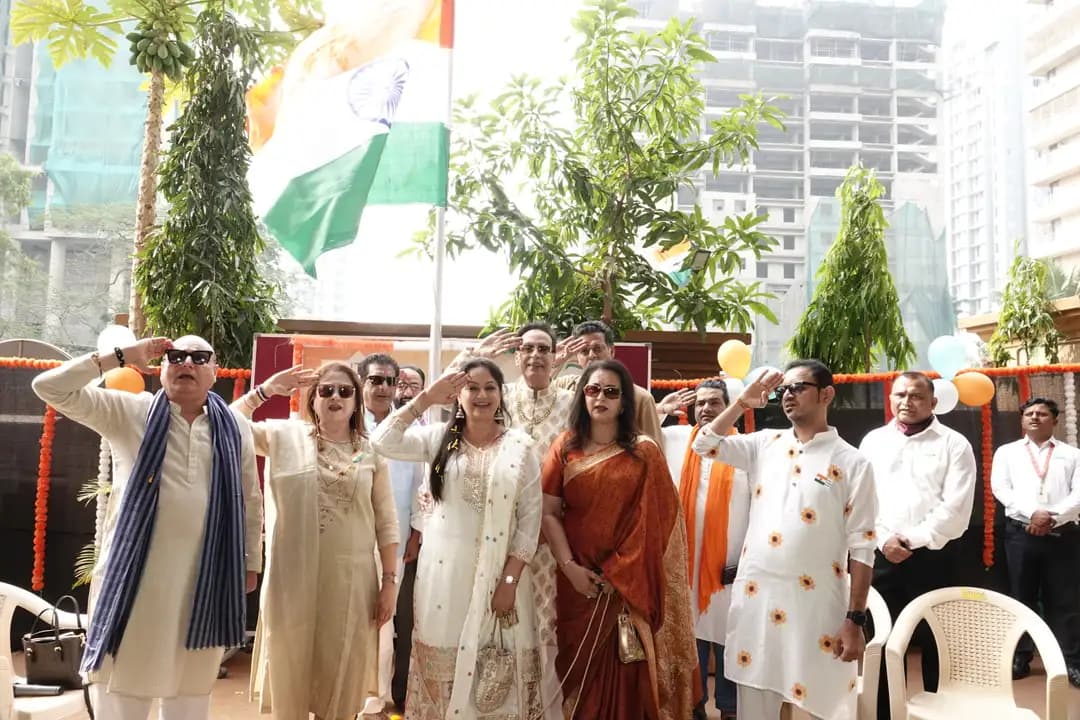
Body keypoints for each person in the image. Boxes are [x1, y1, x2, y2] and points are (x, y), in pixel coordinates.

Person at [31, 336, 263, 720]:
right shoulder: (129, 412)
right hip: (135, 583)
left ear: (214, 370)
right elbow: (48, 387)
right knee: (124, 687)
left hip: (204, 581)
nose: (187, 363)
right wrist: (120, 357)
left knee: (190, 692)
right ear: (162, 367)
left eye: (199, 357)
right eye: (176, 356)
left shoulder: (234, 426)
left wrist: (250, 562)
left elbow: (249, 498)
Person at [693, 360, 877, 720]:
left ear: (826, 394)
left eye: (798, 387)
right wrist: (742, 403)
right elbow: (704, 444)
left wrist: (855, 619)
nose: (788, 395)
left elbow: (863, 545)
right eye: (783, 390)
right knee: (754, 707)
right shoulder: (765, 444)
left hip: (817, 608)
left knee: (824, 706)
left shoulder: (853, 462)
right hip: (758, 602)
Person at [370, 357, 545, 718]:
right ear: (458, 396)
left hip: (501, 582)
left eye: (490, 388)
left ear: (501, 394)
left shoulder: (521, 447)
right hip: (444, 583)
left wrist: (509, 581)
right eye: (472, 388)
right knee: (443, 670)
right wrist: (425, 399)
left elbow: (530, 521)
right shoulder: (437, 439)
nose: (481, 395)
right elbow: (381, 441)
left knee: (495, 677)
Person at [234, 362, 400, 720]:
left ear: (356, 401)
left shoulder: (370, 452)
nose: (335, 397)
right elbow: (229, 424)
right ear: (313, 399)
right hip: (292, 580)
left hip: (349, 582)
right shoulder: (284, 437)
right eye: (326, 390)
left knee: (339, 671)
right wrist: (265, 390)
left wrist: (389, 582)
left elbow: (387, 523)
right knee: (291, 666)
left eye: (344, 391)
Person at [541, 359, 699, 719]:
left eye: (611, 392)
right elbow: (548, 512)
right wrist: (570, 568)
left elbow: (658, 522)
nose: (601, 398)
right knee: (578, 680)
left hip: (626, 589)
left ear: (625, 401)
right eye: (593, 390)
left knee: (626, 679)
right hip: (576, 585)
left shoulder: (644, 452)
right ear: (582, 396)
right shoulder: (564, 447)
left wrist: (619, 575)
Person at [858, 371, 976, 717]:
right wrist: (884, 539)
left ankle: (938, 712)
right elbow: (862, 499)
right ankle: (883, 712)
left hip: (935, 557)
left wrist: (910, 539)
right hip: (882, 555)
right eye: (900, 395)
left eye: (916, 396)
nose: (906, 402)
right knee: (882, 639)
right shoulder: (874, 441)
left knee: (938, 643)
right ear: (890, 398)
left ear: (933, 402)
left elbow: (956, 509)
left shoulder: (954, 444)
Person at [660, 380, 749, 720]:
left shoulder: (746, 448)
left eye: (714, 402)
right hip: (684, 564)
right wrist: (660, 410)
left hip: (730, 566)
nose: (706, 409)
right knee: (689, 636)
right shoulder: (677, 439)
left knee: (729, 638)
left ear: (729, 406)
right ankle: (693, 705)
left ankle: (729, 709)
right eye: (700, 403)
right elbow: (636, 430)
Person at [991, 397, 1080, 687]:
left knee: (1065, 600)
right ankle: (1020, 657)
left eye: (1042, 414)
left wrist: (1052, 517)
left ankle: (1071, 662)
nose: (1034, 417)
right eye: (1029, 413)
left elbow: (1078, 493)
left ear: (1055, 421)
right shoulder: (1007, 452)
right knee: (1021, 597)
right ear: (1022, 420)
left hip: (1063, 534)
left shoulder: (1072, 454)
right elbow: (1001, 489)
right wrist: (1033, 514)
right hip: (1020, 534)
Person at [355, 353, 419, 716]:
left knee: (385, 621)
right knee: (353, 618)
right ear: (361, 383)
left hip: (397, 541)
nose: (383, 388)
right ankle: (350, 692)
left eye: (389, 381)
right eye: (375, 380)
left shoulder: (407, 428)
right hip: (352, 539)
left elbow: (422, 484)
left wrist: (417, 533)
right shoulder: (348, 424)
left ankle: (376, 698)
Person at [553, 320, 662, 444]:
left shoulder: (641, 398)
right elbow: (537, 396)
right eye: (584, 351)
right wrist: (554, 362)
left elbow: (654, 449)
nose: (591, 355)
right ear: (577, 357)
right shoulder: (566, 386)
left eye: (597, 349)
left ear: (611, 351)